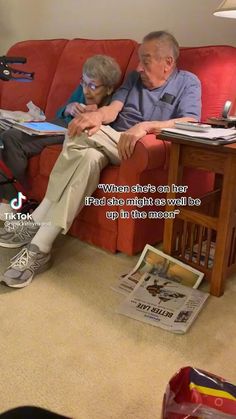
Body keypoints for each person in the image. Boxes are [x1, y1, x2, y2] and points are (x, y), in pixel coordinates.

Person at [0, 30, 201, 288]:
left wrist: (146, 127)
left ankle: (37, 218)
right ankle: (41, 247)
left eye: (146, 60)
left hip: (136, 148)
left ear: (168, 63)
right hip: (107, 142)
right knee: (87, 157)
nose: (138, 66)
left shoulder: (188, 82)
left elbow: (191, 121)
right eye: (139, 59)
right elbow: (112, 109)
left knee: (81, 132)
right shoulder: (133, 79)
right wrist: (95, 116)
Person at [0, 54, 121, 219]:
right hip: (57, 124)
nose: (86, 91)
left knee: (11, 138)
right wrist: (68, 108)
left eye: (93, 86)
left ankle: (14, 200)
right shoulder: (82, 89)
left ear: (109, 88)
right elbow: (60, 113)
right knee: (6, 136)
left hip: (74, 132)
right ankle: (14, 196)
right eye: (83, 83)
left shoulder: (114, 101)